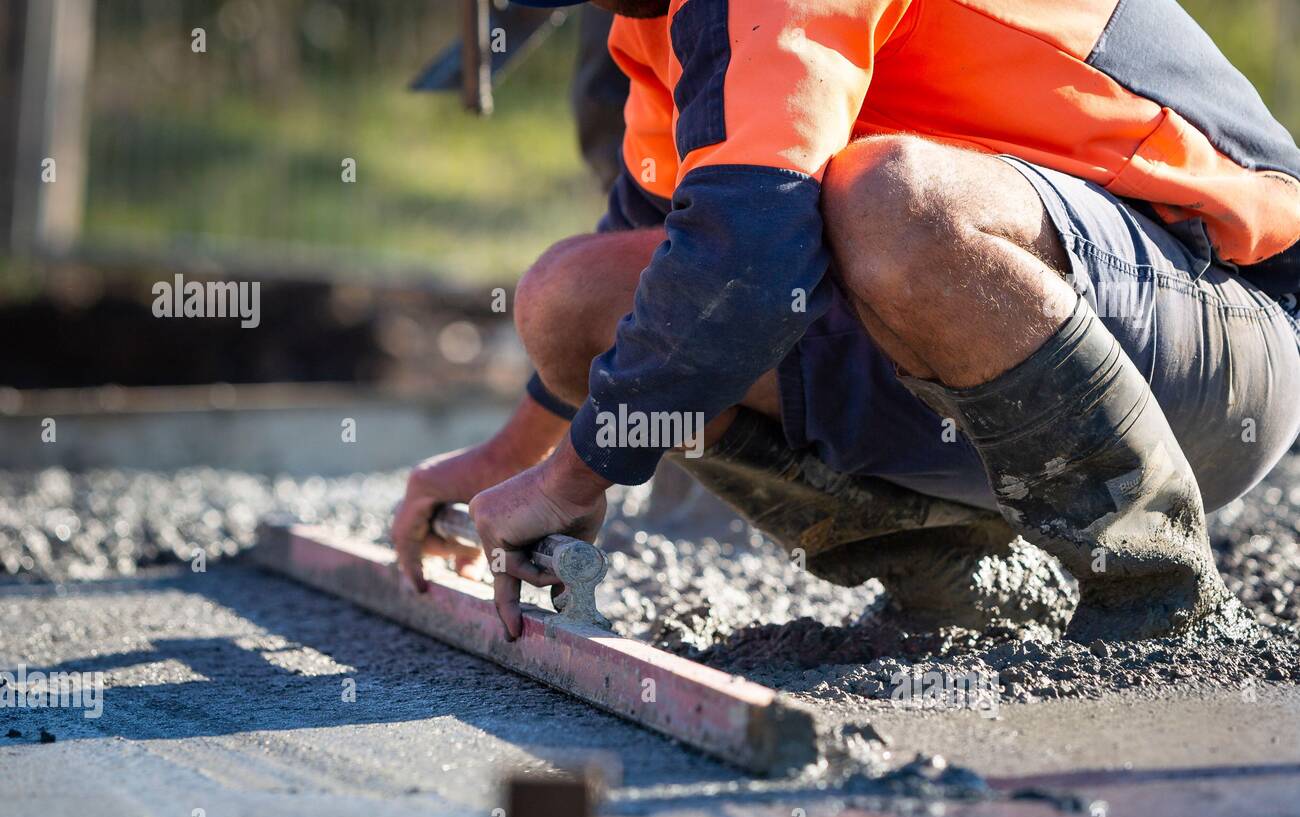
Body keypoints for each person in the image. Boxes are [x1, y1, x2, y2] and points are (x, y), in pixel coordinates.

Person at [393, 0, 1300, 643]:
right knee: (578, 297)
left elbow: (748, 263)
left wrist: (573, 477)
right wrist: (506, 462)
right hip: (1040, 327)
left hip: (1224, 331)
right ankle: (949, 574)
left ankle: (1155, 594)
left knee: (889, 203)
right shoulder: (665, 32)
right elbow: (667, 289)